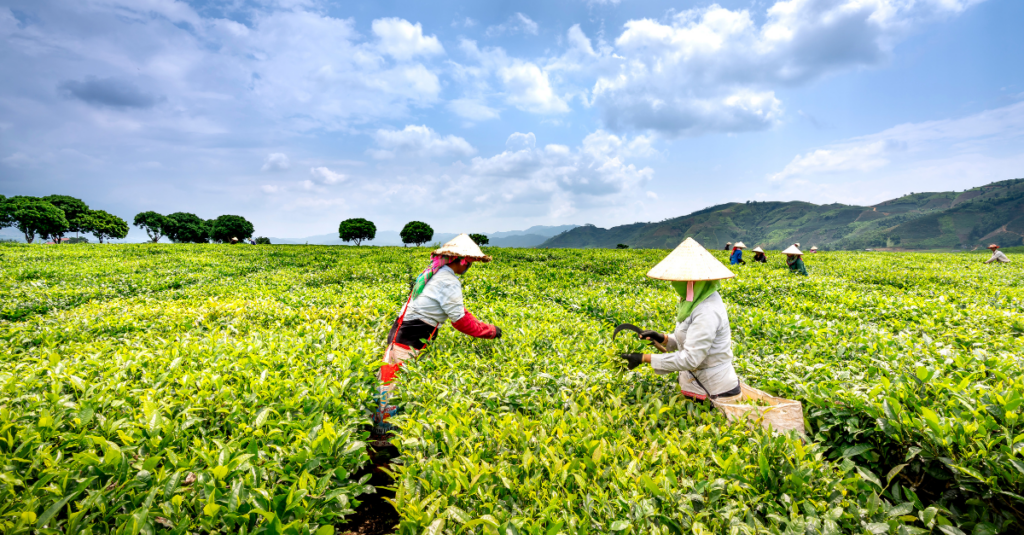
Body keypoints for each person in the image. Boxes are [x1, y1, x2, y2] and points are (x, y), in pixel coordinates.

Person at [372, 234, 502, 445]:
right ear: (460, 261)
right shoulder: (448, 281)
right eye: (468, 263)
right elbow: (460, 321)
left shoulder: (434, 273)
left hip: (401, 336)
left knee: (389, 385)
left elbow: (456, 309)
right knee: (390, 390)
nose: (469, 267)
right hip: (407, 341)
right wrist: (490, 332)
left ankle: (385, 437)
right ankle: (382, 443)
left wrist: (485, 326)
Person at [620, 238, 742, 403]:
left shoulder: (707, 310)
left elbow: (691, 358)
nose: (674, 284)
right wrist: (663, 338)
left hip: (715, 392)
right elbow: (689, 339)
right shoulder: (692, 301)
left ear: (691, 282)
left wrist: (644, 358)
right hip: (695, 384)